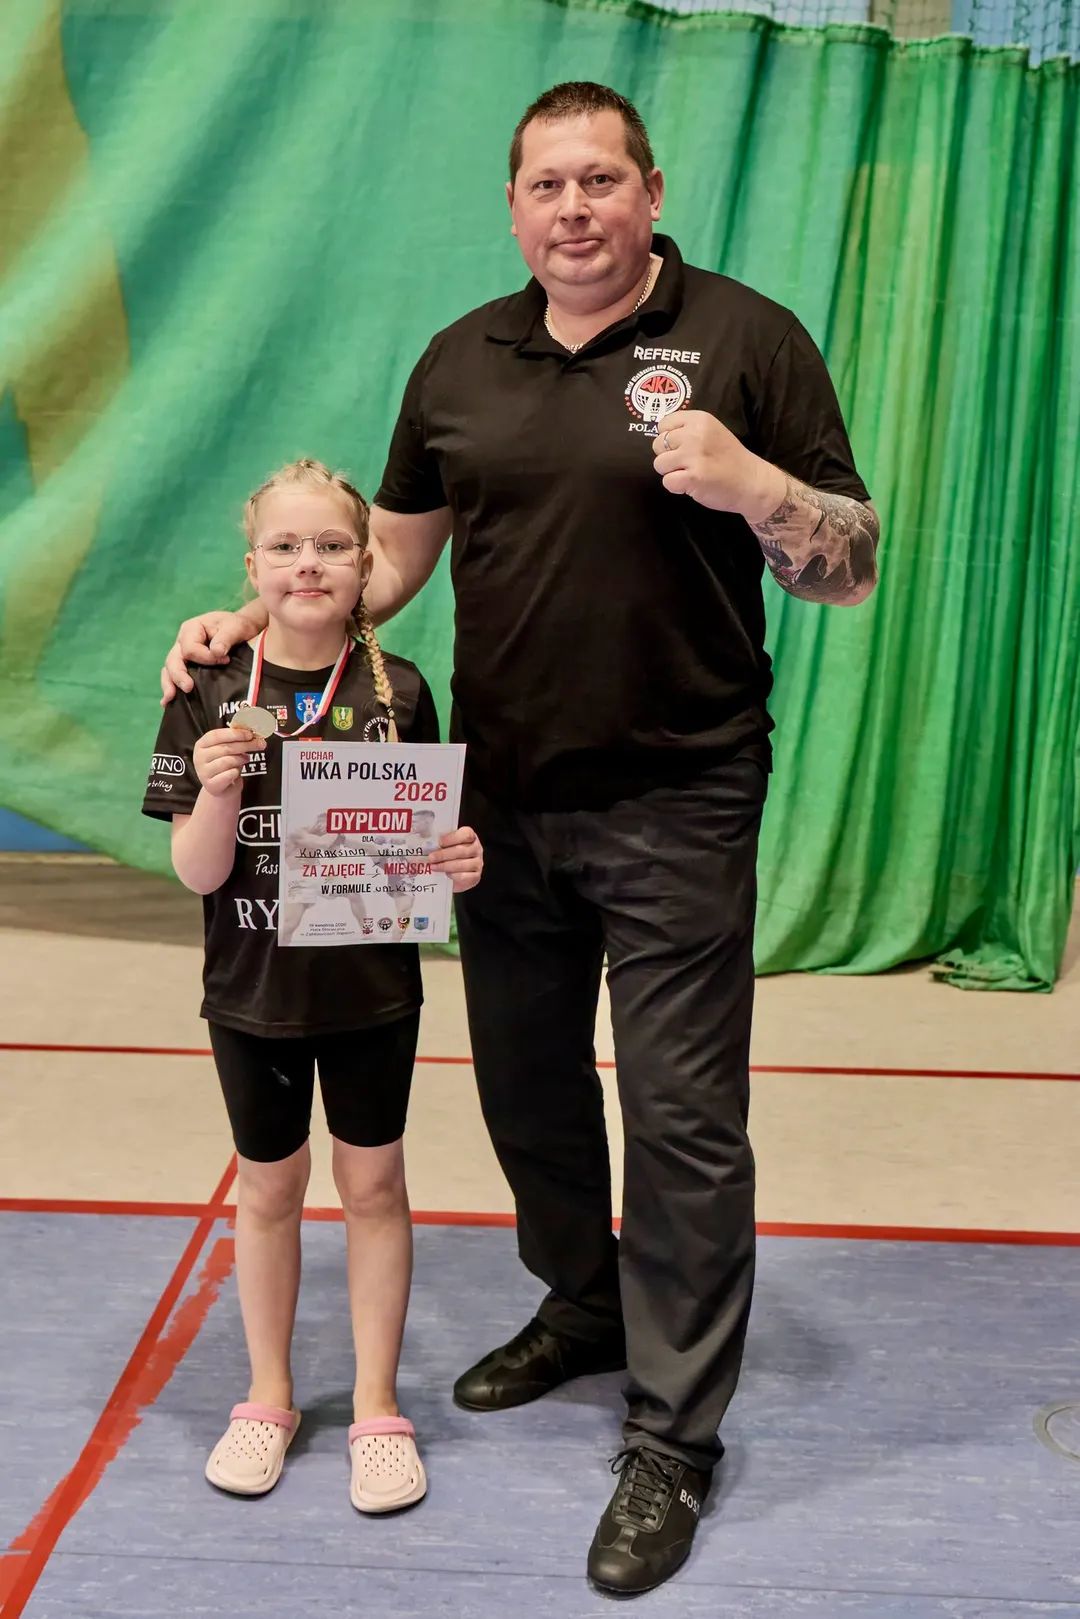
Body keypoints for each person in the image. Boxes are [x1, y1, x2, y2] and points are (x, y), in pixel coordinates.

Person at [161, 84, 879, 1594]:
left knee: (682, 1118)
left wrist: (753, 483)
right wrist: (251, 626)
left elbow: (850, 561)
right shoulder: (459, 361)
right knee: (528, 1087)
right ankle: (584, 1300)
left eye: (601, 179)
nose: (574, 207)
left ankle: (672, 1434)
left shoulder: (748, 339)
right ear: (512, 206)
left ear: (651, 191)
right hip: (496, 800)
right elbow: (382, 570)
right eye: (546, 184)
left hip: (681, 791)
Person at [144, 458, 482, 1513]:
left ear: (365, 564)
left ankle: (377, 1408)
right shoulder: (205, 689)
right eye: (285, 547)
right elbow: (197, 872)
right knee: (269, 1190)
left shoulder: (401, 690)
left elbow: (422, 843)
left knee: (373, 1185)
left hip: (372, 991)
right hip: (251, 992)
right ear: (252, 567)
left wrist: (455, 858)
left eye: (332, 545)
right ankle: (268, 1396)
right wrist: (216, 791)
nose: (308, 563)